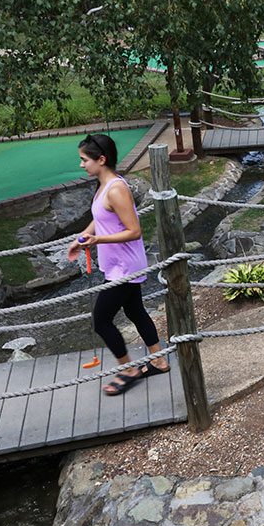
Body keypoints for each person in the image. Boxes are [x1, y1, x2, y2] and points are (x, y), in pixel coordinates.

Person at [66, 134, 170, 395]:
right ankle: (158, 360)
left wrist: (98, 238)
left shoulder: (116, 188)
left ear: (101, 160)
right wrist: (81, 238)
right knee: (135, 311)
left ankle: (129, 369)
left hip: (124, 266)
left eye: (84, 160)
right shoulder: (104, 185)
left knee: (100, 321)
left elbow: (134, 230)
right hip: (117, 264)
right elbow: (100, 217)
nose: (82, 165)